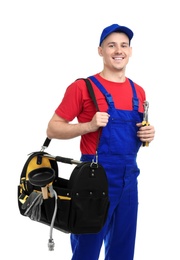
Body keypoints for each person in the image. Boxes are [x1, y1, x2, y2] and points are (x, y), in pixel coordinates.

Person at [46, 23, 155, 260]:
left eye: (124, 45)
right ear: (100, 51)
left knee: (123, 251)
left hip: (129, 178)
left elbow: (137, 135)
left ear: (130, 51)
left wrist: (147, 135)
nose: (118, 50)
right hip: (93, 178)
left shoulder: (139, 92)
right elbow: (53, 128)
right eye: (111, 45)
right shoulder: (83, 87)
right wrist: (89, 126)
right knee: (87, 249)